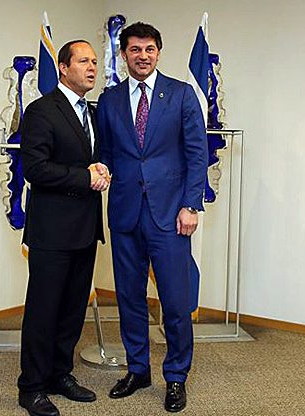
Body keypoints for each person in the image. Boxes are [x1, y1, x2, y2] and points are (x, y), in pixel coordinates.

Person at [97, 22, 208, 413]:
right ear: (124, 54)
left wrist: (191, 205)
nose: (142, 56)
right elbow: (106, 152)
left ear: (158, 52)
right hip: (125, 213)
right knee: (129, 298)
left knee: (175, 301)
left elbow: (197, 152)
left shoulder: (181, 94)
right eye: (134, 49)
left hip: (171, 215)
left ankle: (176, 376)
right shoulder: (109, 100)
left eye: (149, 49)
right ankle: (138, 369)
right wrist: (99, 171)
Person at [17, 40, 109, 416]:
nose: (92, 67)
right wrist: (84, 177)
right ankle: (31, 387)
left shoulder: (93, 112)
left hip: (85, 229)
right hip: (52, 232)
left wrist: (100, 169)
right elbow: (35, 169)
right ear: (63, 68)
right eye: (83, 61)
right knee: (44, 312)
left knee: (72, 311)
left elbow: (89, 158)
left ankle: (60, 375)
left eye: (94, 61)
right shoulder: (42, 111)